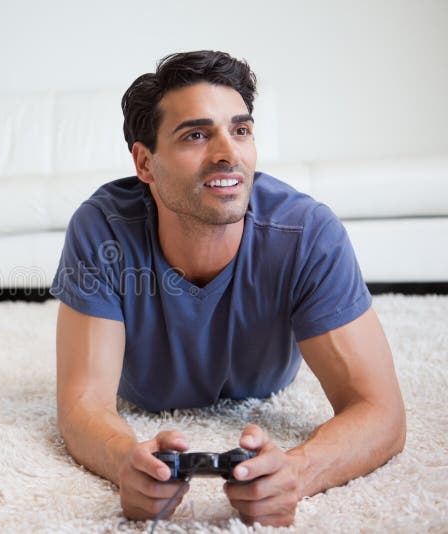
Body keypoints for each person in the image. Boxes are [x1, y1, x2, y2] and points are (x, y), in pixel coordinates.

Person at [50, 50, 406, 527]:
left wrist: (297, 473)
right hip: (144, 395)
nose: (228, 152)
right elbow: (83, 406)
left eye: (240, 130)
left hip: (264, 385)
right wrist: (124, 463)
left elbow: (382, 412)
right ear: (145, 163)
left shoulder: (307, 233)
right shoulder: (102, 230)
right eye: (196, 134)